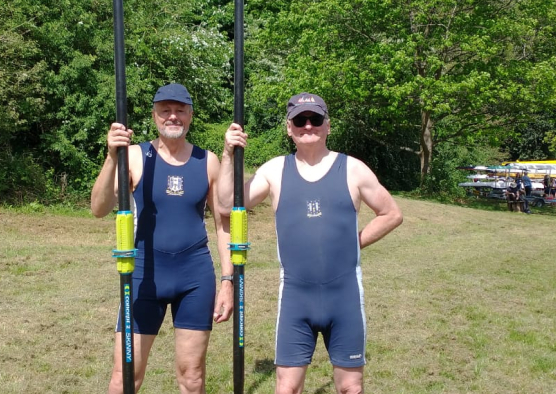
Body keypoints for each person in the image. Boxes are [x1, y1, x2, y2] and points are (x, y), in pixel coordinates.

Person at [219, 92, 403, 394]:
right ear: (289, 128)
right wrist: (228, 154)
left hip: (344, 297)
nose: (308, 126)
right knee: (287, 388)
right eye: (300, 120)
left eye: (315, 119)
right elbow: (227, 205)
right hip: (295, 299)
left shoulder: (353, 169)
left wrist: (354, 243)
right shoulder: (275, 170)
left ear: (327, 126)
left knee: (350, 388)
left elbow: (391, 213)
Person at [91, 83, 233, 394]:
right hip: (143, 275)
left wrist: (227, 281)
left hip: (194, 277)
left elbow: (223, 223)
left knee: (192, 378)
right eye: (165, 111)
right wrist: (112, 157)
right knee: (125, 377)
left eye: (180, 110)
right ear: (155, 116)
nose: (173, 116)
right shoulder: (134, 156)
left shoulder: (207, 161)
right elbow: (99, 208)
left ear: (190, 116)